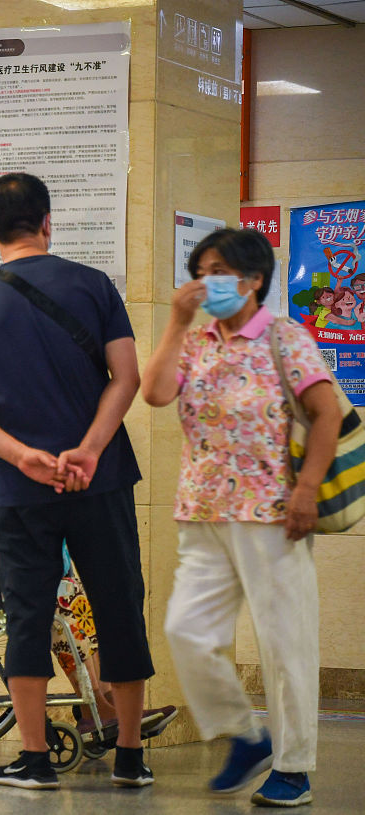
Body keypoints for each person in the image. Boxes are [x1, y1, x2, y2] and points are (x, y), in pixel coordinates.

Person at [0, 172, 153, 790]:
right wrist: (87, 449)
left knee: (28, 614)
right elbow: (127, 377)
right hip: (103, 477)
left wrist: (24, 456)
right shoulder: (94, 285)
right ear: (47, 222)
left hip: (22, 487)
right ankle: (131, 758)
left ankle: (34, 759)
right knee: (118, 606)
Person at [143, 228, 338, 808]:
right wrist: (176, 324)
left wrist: (306, 489)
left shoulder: (285, 338)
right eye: (201, 269)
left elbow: (325, 415)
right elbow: (154, 393)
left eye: (220, 269)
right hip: (201, 510)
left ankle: (294, 767)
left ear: (253, 279)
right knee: (186, 629)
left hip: (274, 513)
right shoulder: (197, 339)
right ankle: (247, 735)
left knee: (285, 643)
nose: (208, 279)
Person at [0, 465, 177, 741]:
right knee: (56, 603)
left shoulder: (21, 491)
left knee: (74, 595)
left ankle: (104, 700)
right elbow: (5, 558)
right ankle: (95, 708)